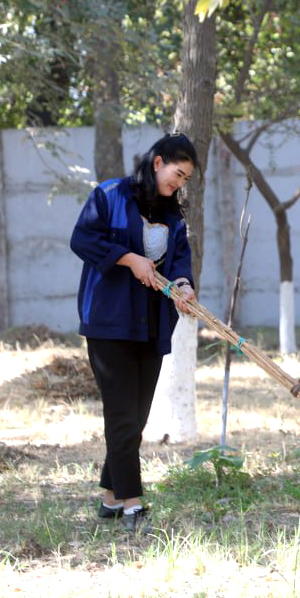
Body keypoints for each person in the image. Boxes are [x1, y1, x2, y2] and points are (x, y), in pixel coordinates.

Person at [70, 133, 198, 534]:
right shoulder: (108, 195)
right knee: (122, 414)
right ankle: (133, 504)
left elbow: (180, 259)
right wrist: (129, 260)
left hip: (153, 322)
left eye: (185, 179)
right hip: (109, 321)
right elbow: (82, 239)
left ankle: (110, 498)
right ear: (157, 162)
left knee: (136, 417)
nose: (179, 183)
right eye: (177, 174)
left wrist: (183, 284)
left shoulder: (173, 215)